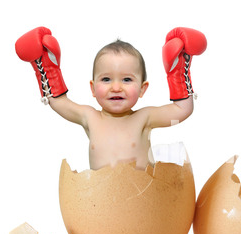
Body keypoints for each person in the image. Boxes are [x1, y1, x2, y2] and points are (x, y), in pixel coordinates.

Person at [15, 27, 207, 170]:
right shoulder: (89, 117)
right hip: (102, 207)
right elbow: (58, 102)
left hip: (143, 206)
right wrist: (48, 69)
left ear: (142, 89)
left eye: (126, 79)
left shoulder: (144, 118)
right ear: (92, 88)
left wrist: (178, 73)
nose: (116, 87)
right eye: (106, 79)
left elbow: (183, 110)